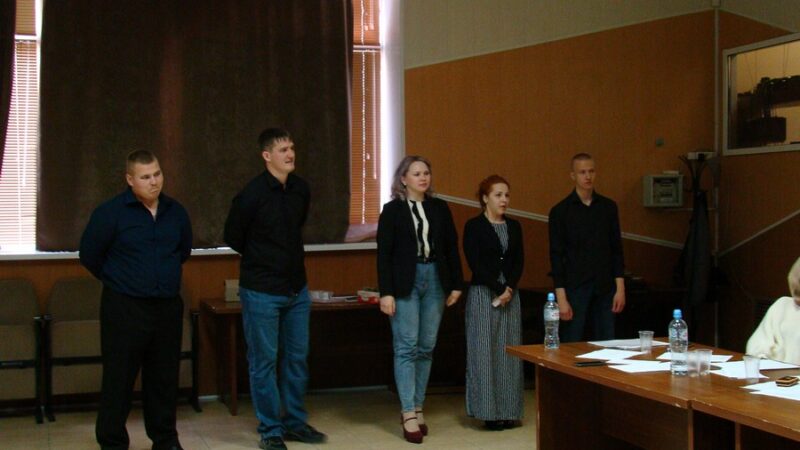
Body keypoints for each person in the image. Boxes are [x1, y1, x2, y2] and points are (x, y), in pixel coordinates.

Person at [80, 150, 192, 450]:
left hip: (166, 306)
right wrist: (122, 280)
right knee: (118, 379)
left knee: (164, 378)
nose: (154, 182)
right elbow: (90, 255)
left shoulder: (176, 212)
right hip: (125, 307)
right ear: (130, 180)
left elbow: (183, 251)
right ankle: (113, 442)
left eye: (157, 174)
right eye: (145, 177)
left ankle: (165, 440)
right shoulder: (110, 213)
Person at [224, 128, 326, 450]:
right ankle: (270, 430)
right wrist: (264, 258)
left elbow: (295, 228)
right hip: (262, 290)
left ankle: (294, 422)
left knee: (296, 359)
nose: (290, 154)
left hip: (297, 288)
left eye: (292, 147)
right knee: (264, 362)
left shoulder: (300, 189)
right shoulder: (251, 194)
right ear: (267, 156)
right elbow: (233, 237)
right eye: (283, 150)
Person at [377, 155, 464, 444]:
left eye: (426, 172)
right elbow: (384, 255)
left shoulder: (440, 207)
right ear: (403, 179)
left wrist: (456, 284)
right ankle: (407, 412)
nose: (423, 178)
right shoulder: (392, 210)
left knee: (426, 346)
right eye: (416, 173)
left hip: (435, 278)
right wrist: (386, 292)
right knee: (407, 347)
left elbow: (451, 247)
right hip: (406, 282)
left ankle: (417, 406)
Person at [462, 175, 525, 431]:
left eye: (507, 195)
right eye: (498, 195)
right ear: (485, 198)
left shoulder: (515, 226)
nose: (504, 200)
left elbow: (519, 261)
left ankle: (509, 411)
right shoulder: (474, 226)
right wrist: (499, 288)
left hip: (510, 295)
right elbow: (474, 262)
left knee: (508, 352)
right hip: (483, 294)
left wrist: (509, 287)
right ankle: (488, 412)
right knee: (484, 353)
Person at [548, 153, 625, 342]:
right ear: (573, 176)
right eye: (582, 172)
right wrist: (561, 298)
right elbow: (556, 256)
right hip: (575, 286)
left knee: (607, 340)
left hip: (605, 285)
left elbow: (616, 249)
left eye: (591, 171)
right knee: (572, 340)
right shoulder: (560, 211)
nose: (588, 176)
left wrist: (620, 288)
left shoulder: (608, 207)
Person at [746, 257, 800, 364]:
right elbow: (755, 346)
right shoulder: (782, 305)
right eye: (795, 292)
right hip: (772, 372)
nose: (797, 300)